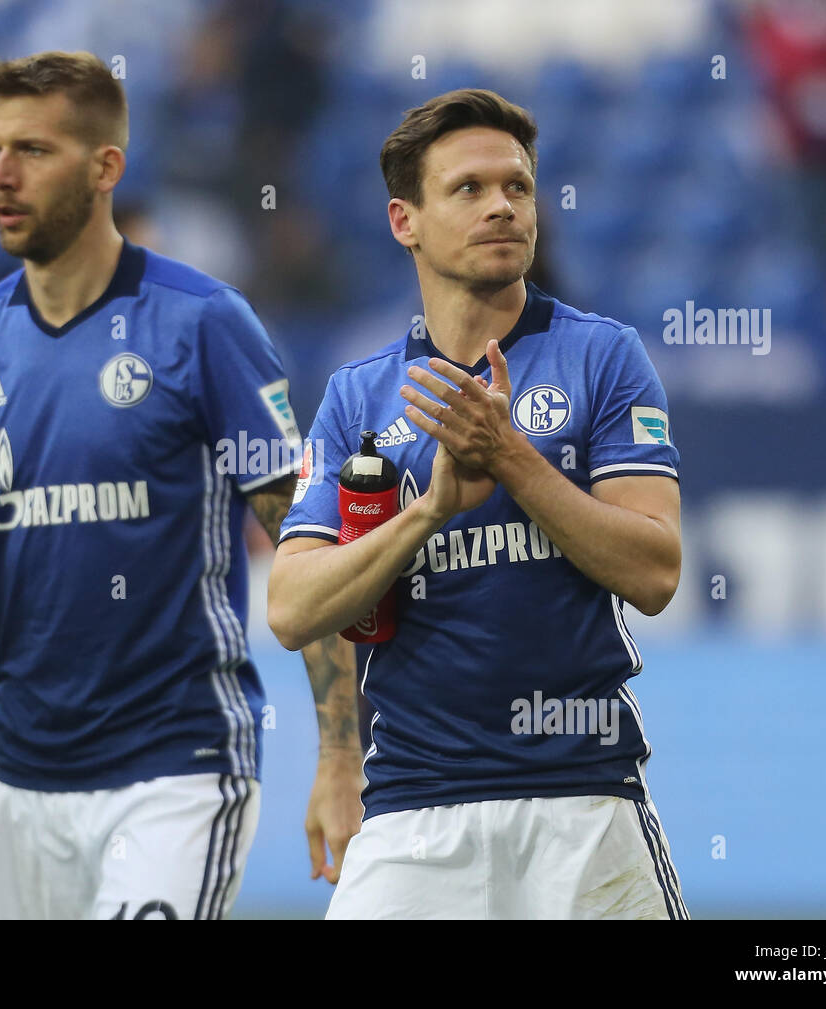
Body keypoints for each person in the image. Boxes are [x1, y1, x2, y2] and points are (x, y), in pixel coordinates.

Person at [0, 51, 363, 920]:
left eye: (33, 149)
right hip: (29, 783)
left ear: (106, 168)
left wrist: (339, 757)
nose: (2, 175)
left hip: (180, 767)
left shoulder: (204, 324)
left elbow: (308, 544)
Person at [268, 88, 688, 920]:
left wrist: (513, 461)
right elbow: (291, 607)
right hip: (411, 816)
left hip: (583, 805)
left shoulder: (603, 357)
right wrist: (426, 512)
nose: (502, 205)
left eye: (518, 187)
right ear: (405, 221)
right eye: (468, 188)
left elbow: (655, 570)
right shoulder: (360, 395)